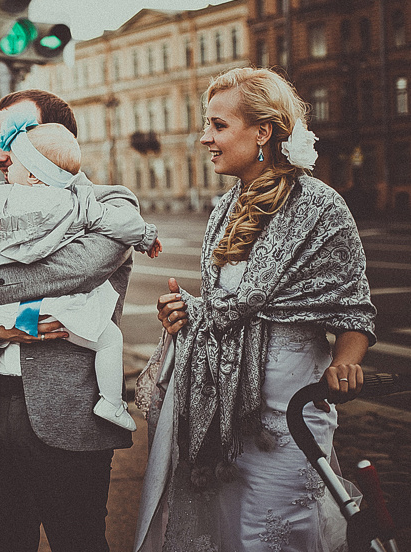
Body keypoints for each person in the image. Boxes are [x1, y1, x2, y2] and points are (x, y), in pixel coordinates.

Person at [134, 67, 376, 552]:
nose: (205, 138)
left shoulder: (321, 207)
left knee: (275, 532)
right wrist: (186, 313)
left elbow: (355, 314)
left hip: (290, 418)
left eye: (219, 125)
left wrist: (346, 362)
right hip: (222, 415)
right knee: (229, 533)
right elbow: (227, 307)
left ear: (262, 131)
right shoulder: (224, 209)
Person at [0, 89, 143, 551]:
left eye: (10, 137)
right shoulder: (5, 210)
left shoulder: (109, 207)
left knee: (79, 542)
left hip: (69, 421)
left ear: (57, 137)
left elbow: (77, 269)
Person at [0, 117, 160, 431]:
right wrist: (147, 236)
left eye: (9, 146)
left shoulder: (103, 198)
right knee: (108, 340)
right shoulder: (78, 207)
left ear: (33, 170)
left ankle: (109, 404)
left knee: (89, 332)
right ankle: (113, 403)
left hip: (67, 423)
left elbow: (78, 271)